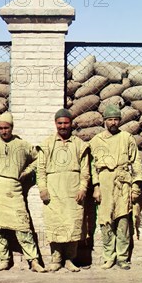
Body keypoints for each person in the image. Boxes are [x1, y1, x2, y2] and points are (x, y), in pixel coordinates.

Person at [0, 112, 45, 273]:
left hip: (14, 188)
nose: (4, 131)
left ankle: (34, 260)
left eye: (6, 128)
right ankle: (4, 259)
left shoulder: (22, 145)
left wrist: (27, 171)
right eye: (1, 128)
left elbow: (39, 158)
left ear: (12, 127)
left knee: (23, 225)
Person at [89, 105, 142, 270]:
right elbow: (92, 167)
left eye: (115, 119)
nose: (113, 122)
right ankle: (108, 257)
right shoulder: (96, 140)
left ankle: (122, 257)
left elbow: (136, 163)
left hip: (122, 182)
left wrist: (135, 186)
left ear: (120, 120)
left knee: (122, 221)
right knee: (105, 221)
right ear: (104, 121)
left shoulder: (127, 138)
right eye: (109, 119)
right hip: (105, 182)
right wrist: (96, 187)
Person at [37, 109, 90, 272]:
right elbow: (40, 169)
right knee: (55, 223)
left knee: (73, 223)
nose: (63, 126)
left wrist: (83, 188)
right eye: (60, 123)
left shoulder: (79, 145)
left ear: (71, 124)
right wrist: (43, 188)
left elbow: (85, 170)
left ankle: (69, 259)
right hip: (53, 189)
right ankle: (56, 258)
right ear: (55, 124)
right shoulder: (46, 144)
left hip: (73, 189)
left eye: (66, 123)